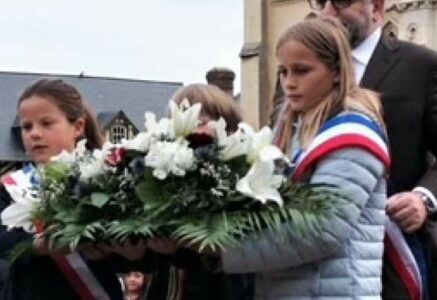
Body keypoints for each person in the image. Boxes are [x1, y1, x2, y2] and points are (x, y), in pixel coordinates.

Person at [179, 17, 389, 299]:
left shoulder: (352, 134)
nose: (289, 83)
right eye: (283, 72)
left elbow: (322, 230)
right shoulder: (290, 130)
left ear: (338, 71)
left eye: (301, 71)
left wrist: (218, 246)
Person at [308, 0, 437, 299]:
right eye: (320, 2)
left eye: (340, 2)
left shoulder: (421, 66)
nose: (327, 12)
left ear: (375, 7)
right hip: (313, 262)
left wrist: (424, 198)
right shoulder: (301, 69)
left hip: (395, 263)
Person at [0, 79, 123, 300]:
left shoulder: (106, 180)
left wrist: (119, 251)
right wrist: (36, 246)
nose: (34, 134)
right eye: (26, 127)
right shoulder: (10, 187)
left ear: (77, 127)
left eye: (46, 123)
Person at [147, 83, 253, 300]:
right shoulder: (163, 180)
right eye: (182, 123)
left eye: (201, 122)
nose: (192, 130)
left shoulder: (242, 181)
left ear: (230, 128)